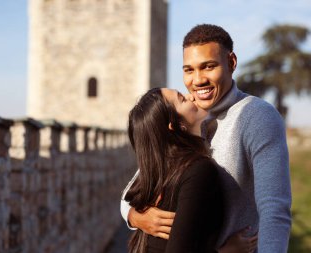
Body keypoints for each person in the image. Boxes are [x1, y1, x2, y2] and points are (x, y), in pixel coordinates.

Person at [122, 24, 292, 253]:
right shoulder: (185, 120)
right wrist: (134, 216)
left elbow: (274, 210)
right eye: (189, 70)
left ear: (231, 63)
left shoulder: (257, 116)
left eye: (208, 67)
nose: (197, 80)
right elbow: (138, 185)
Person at [125, 87, 234, 252]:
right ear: (175, 125)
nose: (191, 96)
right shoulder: (197, 171)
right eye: (182, 99)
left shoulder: (158, 172)